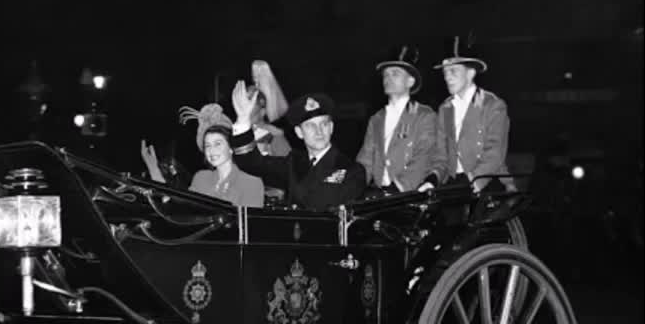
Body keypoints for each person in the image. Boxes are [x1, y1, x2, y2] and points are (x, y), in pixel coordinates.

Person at [229, 84, 367, 210]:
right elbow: (251, 163)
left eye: (323, 124)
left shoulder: (352, 171)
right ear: (299, 132)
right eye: (310, 126)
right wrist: (242, 120)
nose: (318, 131)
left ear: (331, 128)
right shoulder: (293, 163)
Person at [418, 34, 513, 194]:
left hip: (487, 184)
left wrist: (471, 181)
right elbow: (442, 157)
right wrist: (432, 180)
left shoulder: (493, 105)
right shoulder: (445, 109)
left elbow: (494, 155)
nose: (447, 77)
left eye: (453, 71)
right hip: (456, 185)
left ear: (471, 73)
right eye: (445, 72)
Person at [141, 103, 265, 207]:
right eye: (207, 145)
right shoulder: (201, 178)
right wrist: (155, 172)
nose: (211, 150)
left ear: (230, 148)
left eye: (218, 144)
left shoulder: (252, 183)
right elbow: (182, 214)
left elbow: (250, 230)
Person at [356, 45, 438, 194]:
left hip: (410, 196)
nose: (388, 78)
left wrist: (397, 188)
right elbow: (365, 160)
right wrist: (352, 186)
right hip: (380, 195)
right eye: (385, 75)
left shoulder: (424, 116)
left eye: (395, 73)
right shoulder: (376, 119)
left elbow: (423, 159)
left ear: (410, 82)